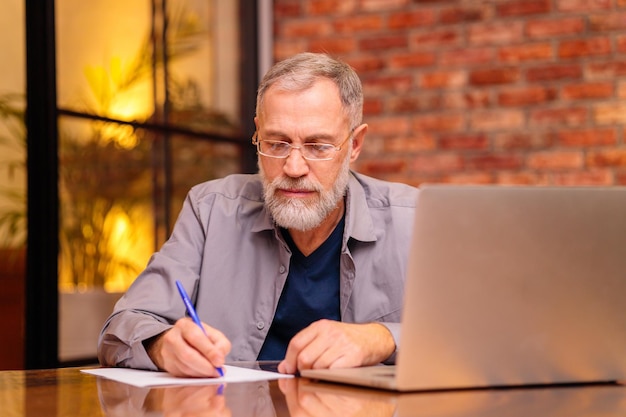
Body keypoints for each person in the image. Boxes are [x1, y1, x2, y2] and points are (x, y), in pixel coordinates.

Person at [98, 52, 419, 377]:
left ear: (355, 144)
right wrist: (162, 345)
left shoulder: (416, 220)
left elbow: (470, 331)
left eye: (318, 146)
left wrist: (383, 338)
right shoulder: (209, 209)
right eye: (276, 143)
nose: (293, 168)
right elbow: (121, 328)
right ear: (257, 132)